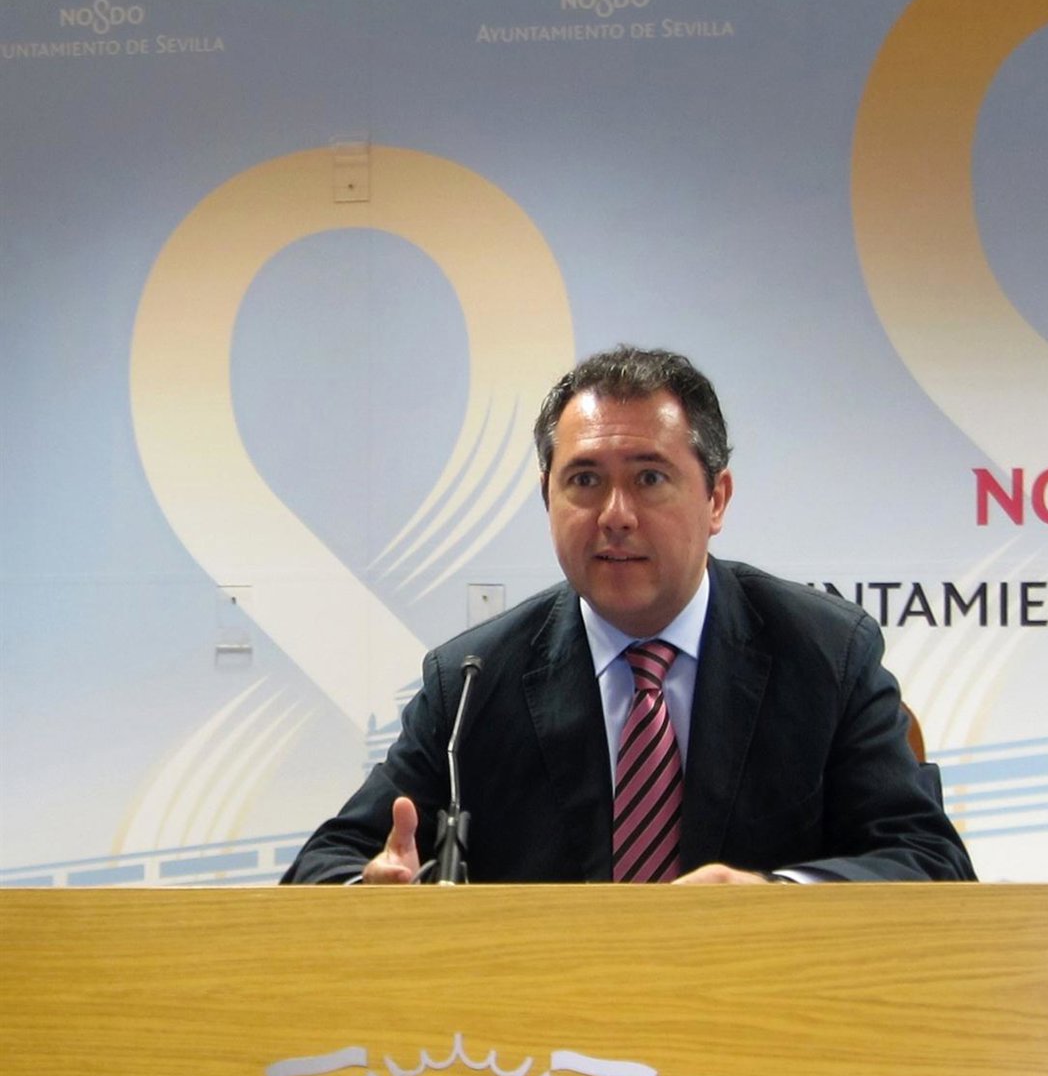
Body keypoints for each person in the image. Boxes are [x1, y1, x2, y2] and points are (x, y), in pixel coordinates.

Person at [281, 346, 975, 886]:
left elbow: (929, 859)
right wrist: (373, 889)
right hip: (546, 1018)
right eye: (584, 480)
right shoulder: (473, 680)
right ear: (547, 499)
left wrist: (776, 893)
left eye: (649, 478)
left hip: (764, 1007)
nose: (615, 515)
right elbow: (325, 864)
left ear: (716, 499)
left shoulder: (825, 652)